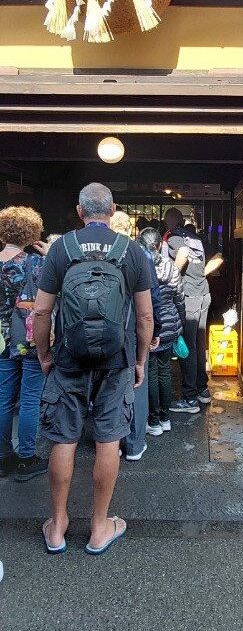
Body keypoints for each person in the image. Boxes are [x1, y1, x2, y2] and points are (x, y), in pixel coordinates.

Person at [33, 183, 153, 555]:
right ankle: (99, 527)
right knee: (108, 439)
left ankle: (57, 526)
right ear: (113, 209)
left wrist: (44, 355)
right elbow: (146, 315)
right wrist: (140, 360)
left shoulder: (61, 249)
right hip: (115, 361)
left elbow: (40, 311)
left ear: (80, 211)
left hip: (68, 358)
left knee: (64, 438)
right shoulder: (130, 250)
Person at [0, 206, 49, 482]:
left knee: (3, 397)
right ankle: (27, 457)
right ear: (31, 232)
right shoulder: (35, 263)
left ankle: (3, 456)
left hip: (1, 339)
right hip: (28, 338)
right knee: (30, 398)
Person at [164, 208, 222, 414]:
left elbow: (182, 253)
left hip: (189, 296)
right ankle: (201, 390)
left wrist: (172, 277)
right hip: (204, 294)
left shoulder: (174, 237)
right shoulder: (196, 237)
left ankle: (189, 399)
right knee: (199, 342)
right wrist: (201, 275)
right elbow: (218, 257)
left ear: (168, 222)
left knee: (187, 345)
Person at [114, 214, 162, 462]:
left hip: (98, 332)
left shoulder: (88, 251)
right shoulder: (138, 252)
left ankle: (112, 444)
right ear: (129, 227)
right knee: (136, 383)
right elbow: (152, 301)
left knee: (108, 388)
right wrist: (156, 330)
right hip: (131, 330)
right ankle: (133, 445)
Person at [137, 228, 184, 436]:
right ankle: (165, 418)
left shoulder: (140, 266)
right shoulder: (171, 266)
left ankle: (153, 421)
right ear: (159, 245)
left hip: (149, 326)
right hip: (168, 325)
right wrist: (179, 323)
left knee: (151, 373)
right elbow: (179, 297)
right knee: (165, 372)